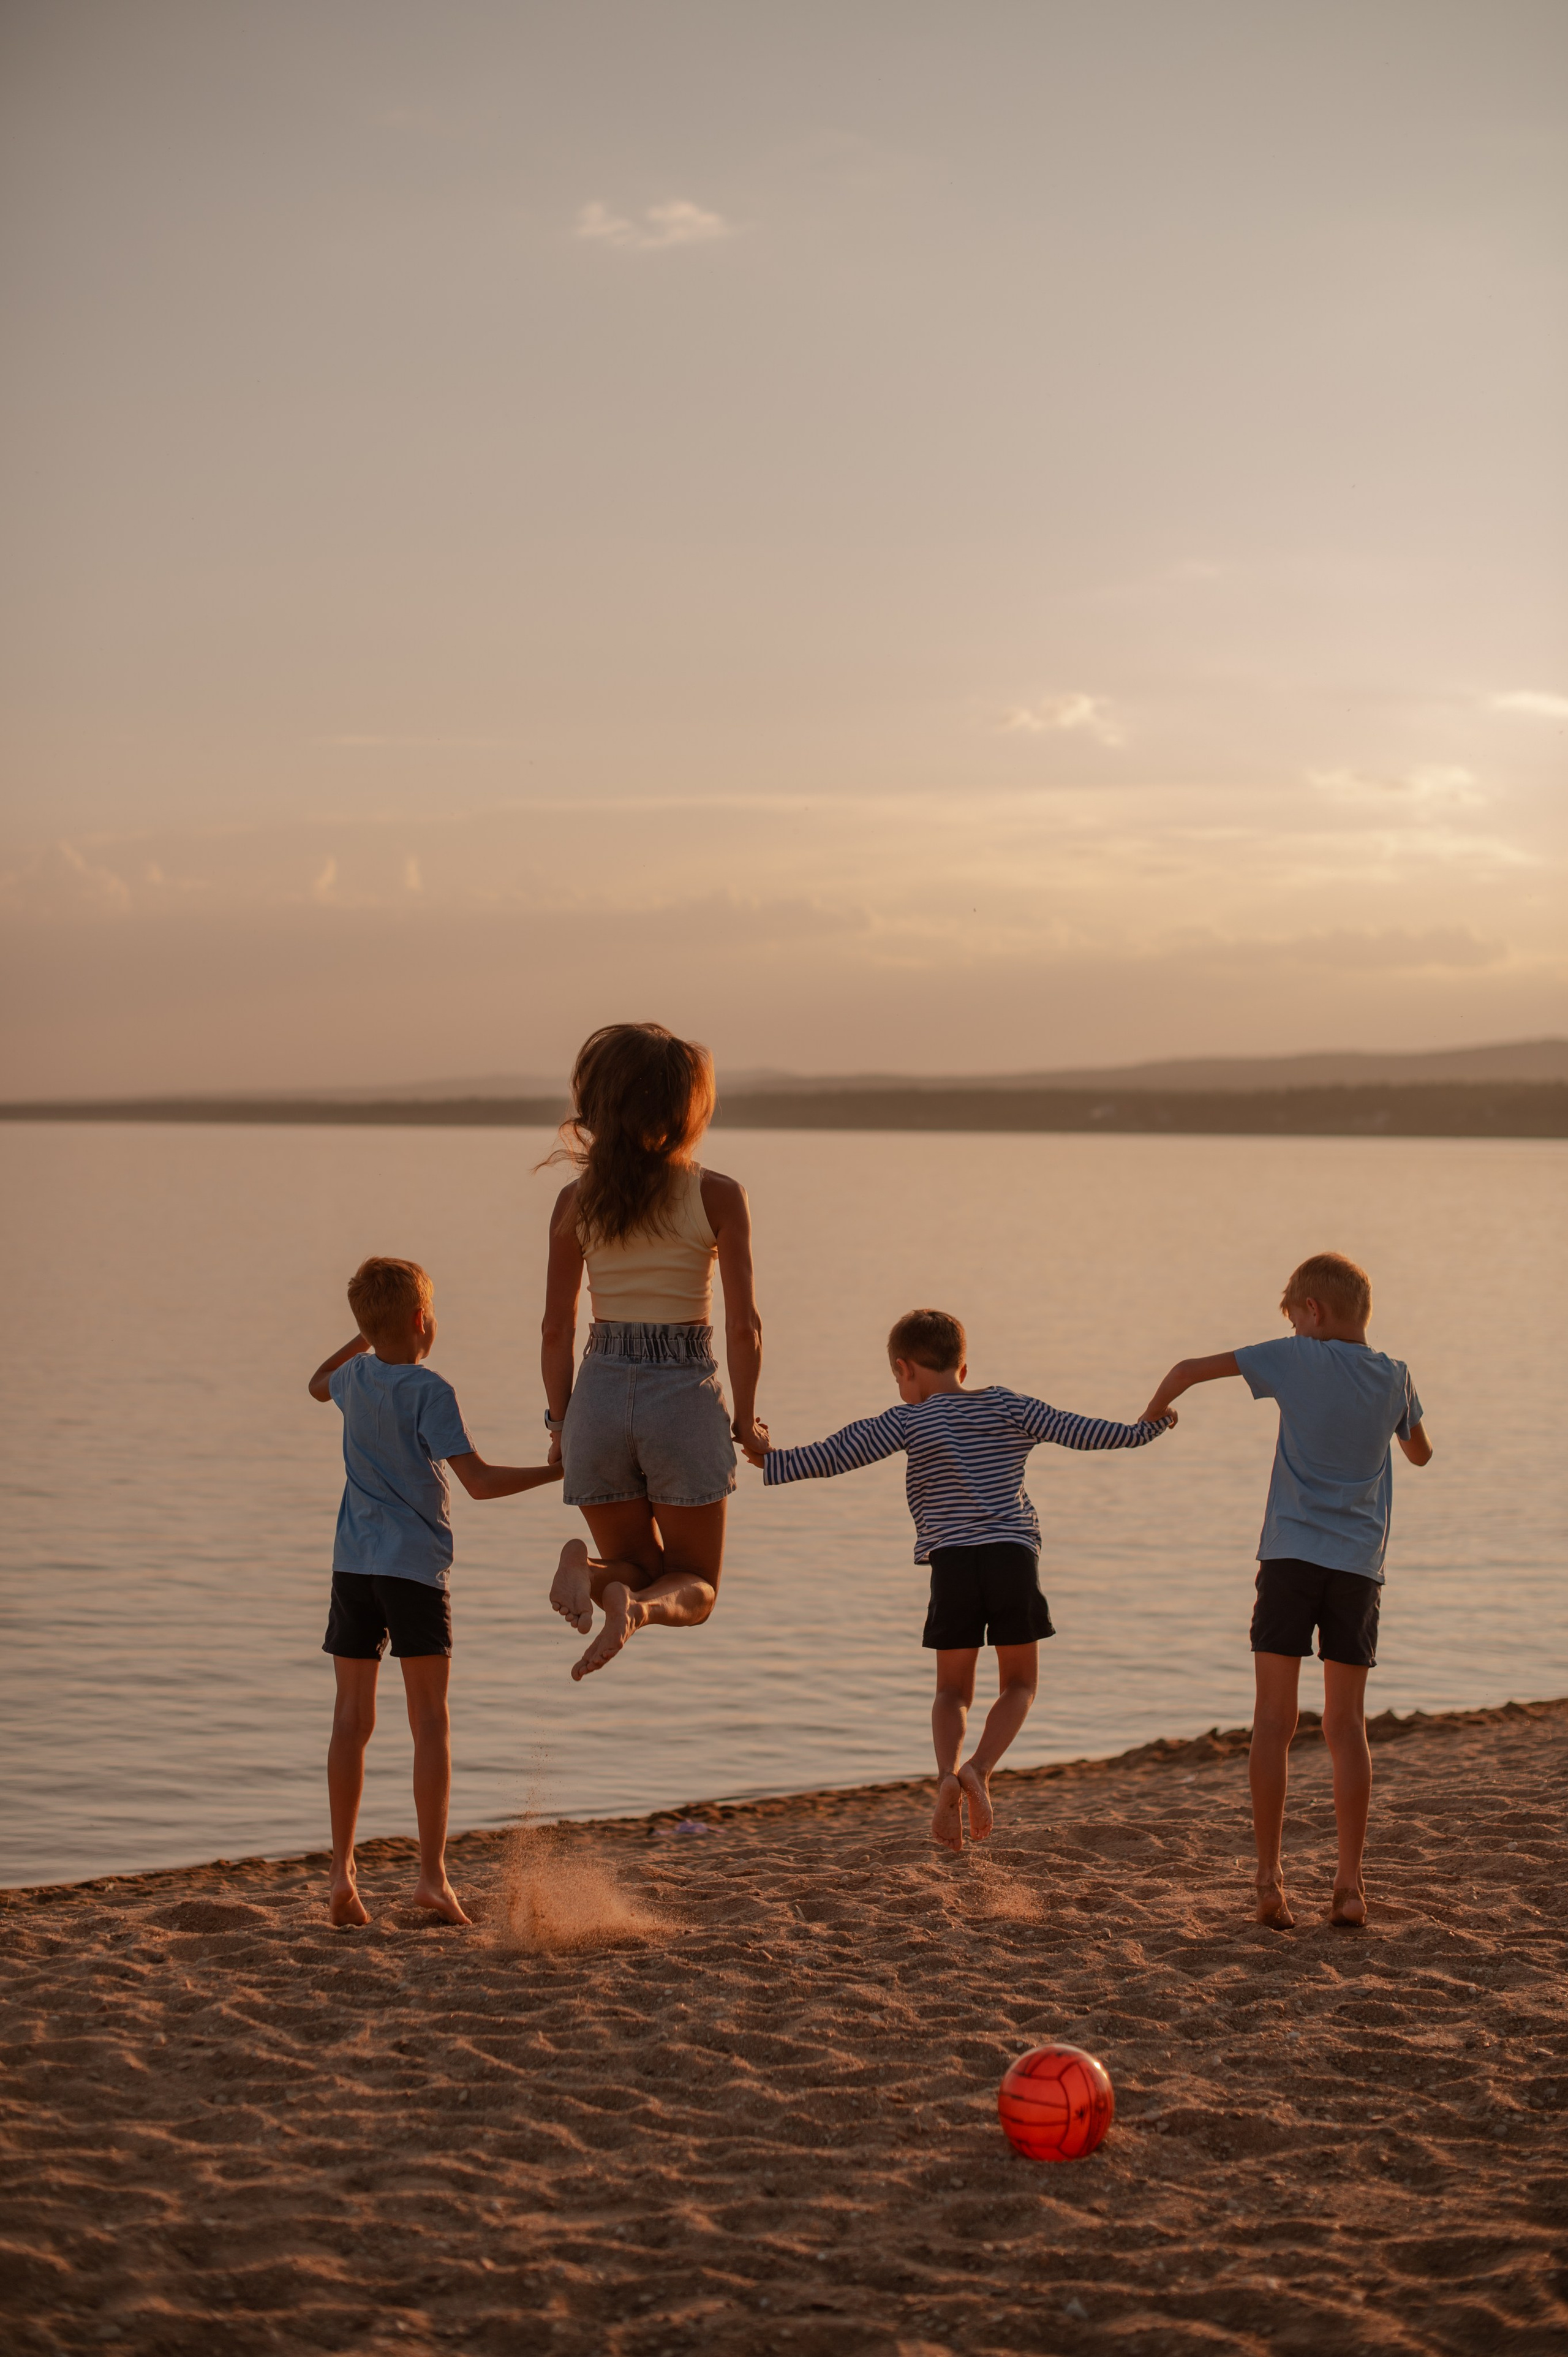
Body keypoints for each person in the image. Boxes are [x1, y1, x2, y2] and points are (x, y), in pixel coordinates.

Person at [744, 1308, 1172, 1852]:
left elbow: (838, 1453)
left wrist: (770, 1457)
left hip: (952, 1565)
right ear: (963, 1368)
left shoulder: (909, 1420)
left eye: (897, 1377)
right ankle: (981, 1769)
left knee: (951, 1691)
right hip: (1012, 1559)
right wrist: (1150, 1426)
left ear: (905, 1369)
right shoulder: (1011, 1406)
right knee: (1020, 1685)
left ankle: (947, 1773)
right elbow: (1089, 1434)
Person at [1140, 1249, 1431, 1931]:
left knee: (1273, 1722)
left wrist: (1154, 1415)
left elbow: (1186, 1370)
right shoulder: (1395, 1375)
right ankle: (1350, 1885)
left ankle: (1270, 1878)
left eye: (1296, 1321)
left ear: (1313, 1311)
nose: (1295, 1331)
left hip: (1290, 1558)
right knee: (1346, 1727)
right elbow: (1420, 1453)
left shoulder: (1295, 1356)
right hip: (1357, 1567)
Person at [309, 1256, 560, 1928]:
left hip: (352, 1568)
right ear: (422, 1320)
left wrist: (365, 1336)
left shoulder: (352, 1378)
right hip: (413, 1570)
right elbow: (479, 1483)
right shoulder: (430, 1389)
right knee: (430, 1722)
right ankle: (431, 1877)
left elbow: (314, 1383)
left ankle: (341, 1873)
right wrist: (555, 1472)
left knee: (350, 1720)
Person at [541, 1022, 767, 1680]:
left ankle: (590, 1572)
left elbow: (556, 1328)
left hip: (598, 1398)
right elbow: (744, 1326)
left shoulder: (575, 1200)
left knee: (635, 1566)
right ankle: (637, 1610)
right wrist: (745, 1420)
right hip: (682, 1394)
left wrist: (560, 1424)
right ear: (684, 1108)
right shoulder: (717, 1193)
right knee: (695, 1584)